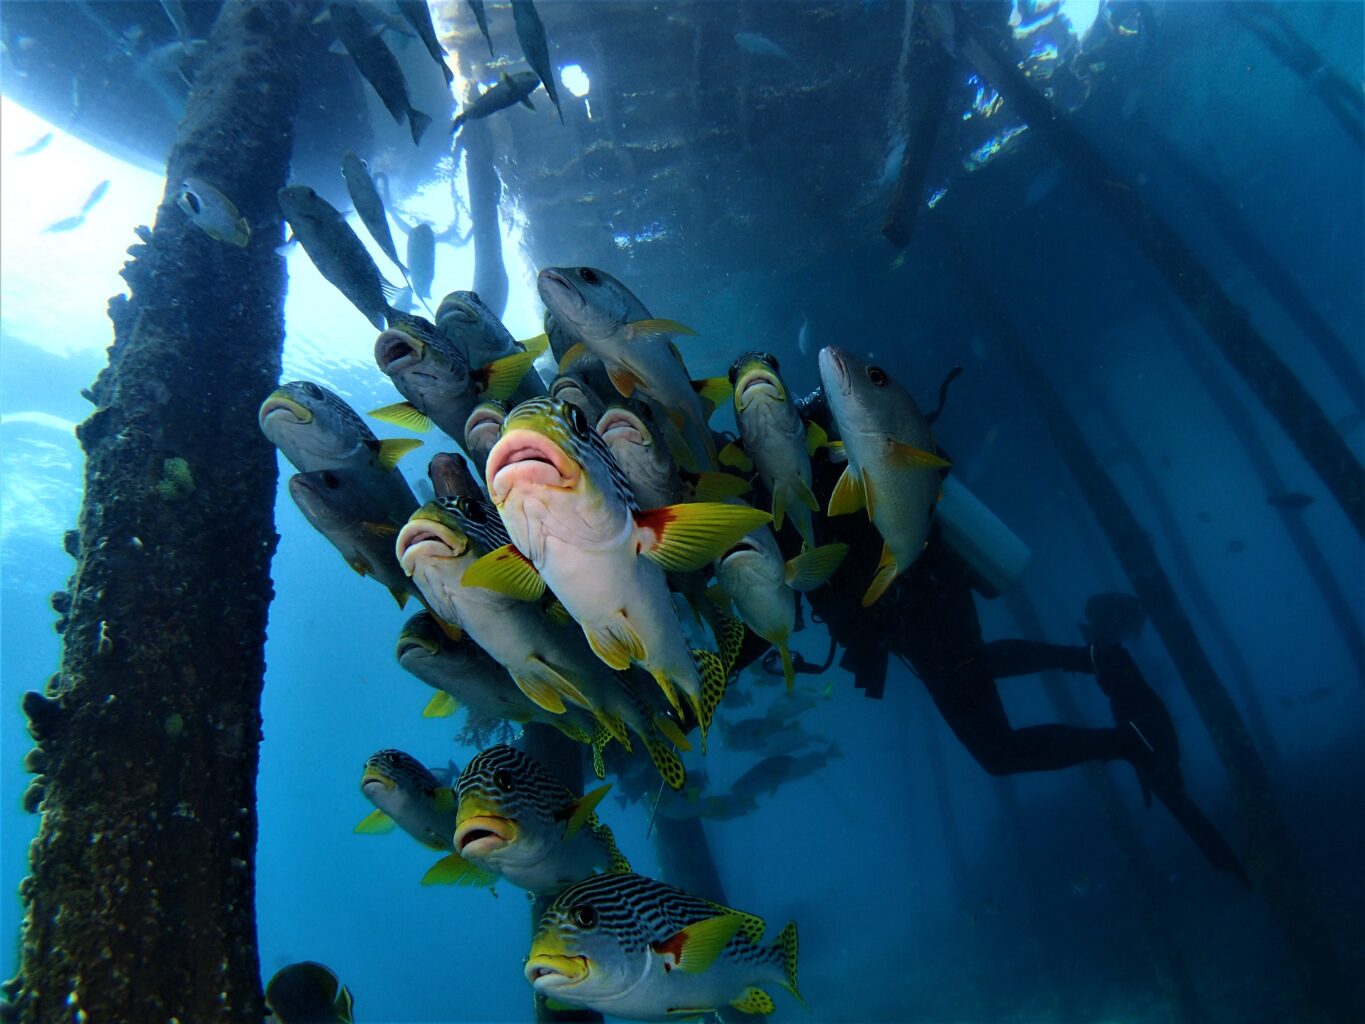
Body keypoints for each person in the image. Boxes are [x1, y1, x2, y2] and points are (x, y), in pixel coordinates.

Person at [739, 388, 1252, 887]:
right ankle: (1091, 659)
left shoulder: (817, 446)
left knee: (997, 750)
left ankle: (1128, 741)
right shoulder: (798, 454)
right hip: (921, 601)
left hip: (918, 601)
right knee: (970, 665)